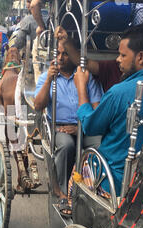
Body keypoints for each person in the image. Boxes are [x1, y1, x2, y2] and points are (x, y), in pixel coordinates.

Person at [72, 25, 143, 204]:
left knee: (77, 172)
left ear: (140, 57)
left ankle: (73, 208)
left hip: (111, 182)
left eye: (123, 55)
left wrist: (81, 88)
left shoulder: (119, 92)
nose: (118, 60)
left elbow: (90, 126)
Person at [33, 41, 103, 206]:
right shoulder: (47, 78)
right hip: (59, 128)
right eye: (57, 54)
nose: (61, 58)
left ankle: (97, 188)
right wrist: (49, 80)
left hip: (84, 126)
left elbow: (96, 108)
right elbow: (38, 105)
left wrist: (80, 128)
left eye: (65, 54)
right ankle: (63, 193)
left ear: (73, 56)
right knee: (66, 145)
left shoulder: (86, 76)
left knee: (102, 144)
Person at [15, 0, 41, 84]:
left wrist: (14, 47)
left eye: (29, 1)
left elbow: (19, 41)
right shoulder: (51, 17)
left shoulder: (27, 20)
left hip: (33, 62)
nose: (27, 5)